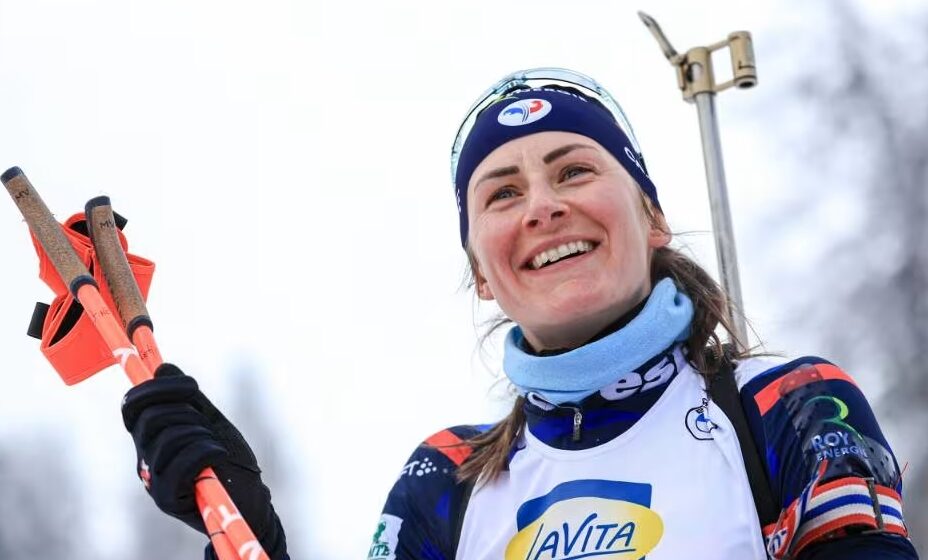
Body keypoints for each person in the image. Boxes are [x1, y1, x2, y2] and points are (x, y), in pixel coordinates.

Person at [122, 68, 918, 560]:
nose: (542, 206)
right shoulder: (444, 480)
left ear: (652, 219)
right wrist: (250, 538)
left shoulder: (787, 407)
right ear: (481, 272)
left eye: (573, 171)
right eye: (502, 193)